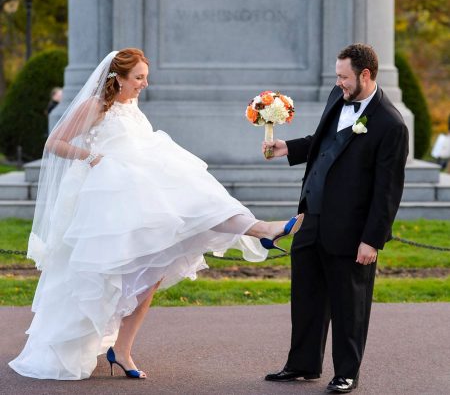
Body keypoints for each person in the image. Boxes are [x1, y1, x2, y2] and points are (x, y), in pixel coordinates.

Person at [9, 48, 301, 380]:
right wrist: (90, 157)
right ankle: (262, 229)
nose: (145, 84)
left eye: (146, 77)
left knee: (158, 261)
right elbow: (54, 143)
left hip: (142, 192)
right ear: (117, 79)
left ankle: (122, 349)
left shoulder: (132, 106)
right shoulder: (95, 106)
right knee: (102, 280)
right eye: (138, 78)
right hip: (109, 200)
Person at [263, 44, 409, 393]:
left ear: (366, 75)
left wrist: (372, 239)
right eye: (337, 76)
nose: (338, 82)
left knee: (349, 306)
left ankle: (346, 372)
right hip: (311, 217)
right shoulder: (338, 95)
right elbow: (326, 142)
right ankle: (302, 364)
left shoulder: (391, 125)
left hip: (352, 230)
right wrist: (290, 148)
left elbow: (388, 191)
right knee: (306, 297)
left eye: (344, 77)